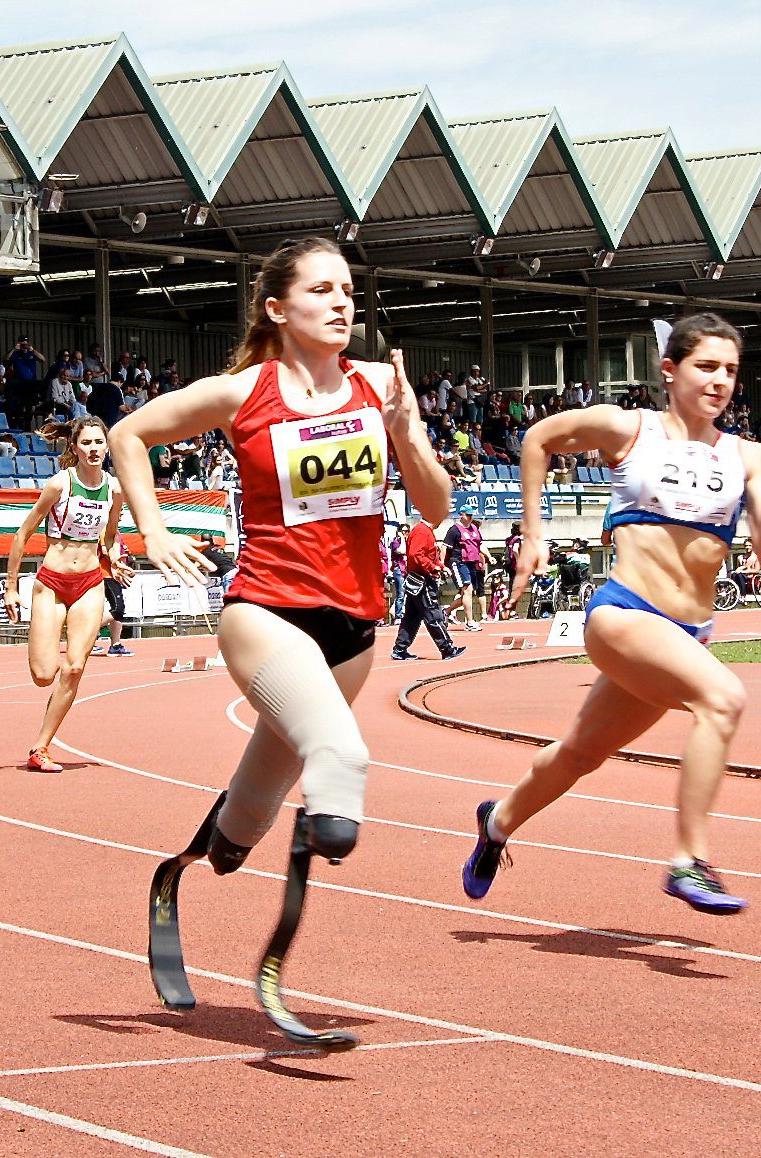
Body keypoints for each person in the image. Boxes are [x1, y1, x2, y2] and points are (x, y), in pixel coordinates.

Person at [109, 236, 449, 1050]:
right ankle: (303, 852)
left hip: (354, 627)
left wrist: (405, 433)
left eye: (348, 291)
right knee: (340, 755)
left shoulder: (379, 386)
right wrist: (150, 527)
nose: (341, 303)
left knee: (255, 807)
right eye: (322, 290)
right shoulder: (239, 392)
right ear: (277, 308)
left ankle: (214, 848)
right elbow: (128, 435)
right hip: (265, 609)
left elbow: (434, 504)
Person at [462, 312, 761, 916]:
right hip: (623, 614)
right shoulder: (629, 428)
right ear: (670, 370)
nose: (719, 380)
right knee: (723, 700)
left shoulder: (747, 456)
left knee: (581, 754)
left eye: (730, 370)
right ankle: (689, 861)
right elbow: (538, 438)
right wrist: (533, 535)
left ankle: (498, 822)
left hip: (687, 632)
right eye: (706, 366)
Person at [4, 418, 123, 773]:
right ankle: (44, 671)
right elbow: (22, 535)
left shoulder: (114, 490)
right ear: (74, 448)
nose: (93, 449)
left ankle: (40, 748)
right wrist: (11, 587)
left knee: (74, 668)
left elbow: (111, 537)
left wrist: (114, 559)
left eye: (99, 442)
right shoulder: (61, 484)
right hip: (52, 582)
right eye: (86, 443)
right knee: (44, 675)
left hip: (89, 582)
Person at [392, 510, 463, 661]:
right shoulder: (422, 532)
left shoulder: (423, 531)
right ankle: (447, 649)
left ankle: (400, 649)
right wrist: (433, 567)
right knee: (432, 615)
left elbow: (424, 554)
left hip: (417, 579)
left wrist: (441, 566)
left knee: (411, 617)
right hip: (422, 580)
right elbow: (415, 554)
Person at [442, 510, 487, 629]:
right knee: (467, 590)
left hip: (472, 563)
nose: (470, 517)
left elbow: (480, 545)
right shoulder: (454, 530)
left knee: (468, 593)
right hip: (459, 562)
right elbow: (444, 547)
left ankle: (446, 612)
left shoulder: (474, 529)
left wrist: (489, 556)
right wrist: (442, 565)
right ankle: (470, 622)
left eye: (471, 515)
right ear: (462, 514)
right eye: (468, 515)